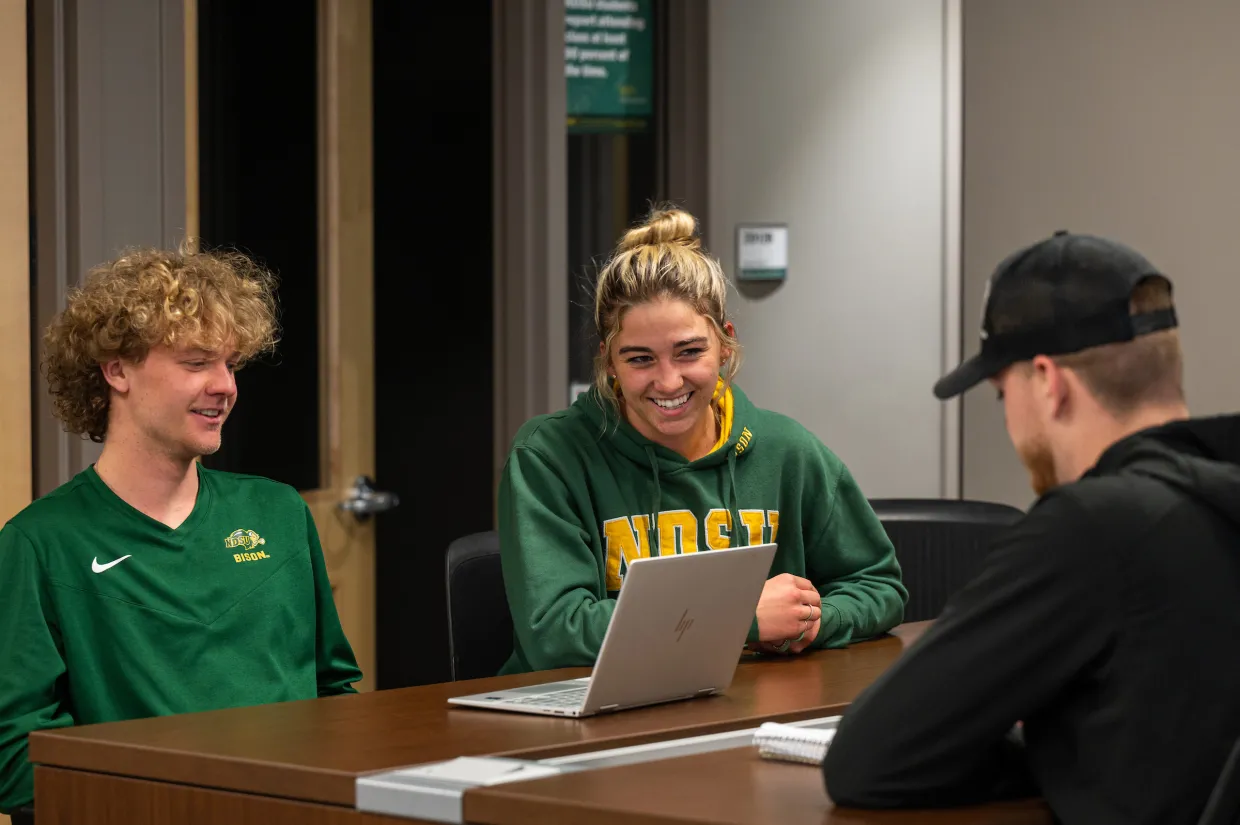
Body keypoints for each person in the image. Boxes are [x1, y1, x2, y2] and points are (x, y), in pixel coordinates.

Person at [824, 231, 1240, 825]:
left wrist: (1046, 749)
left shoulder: (1092, 528)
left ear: (1049, 382)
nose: (1010, 423)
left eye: (1000, 396)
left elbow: (866, 760)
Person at [0, 246, 362, 814]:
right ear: (116, 369)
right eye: (196, 363)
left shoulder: (278, 512)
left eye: (231, 364)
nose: (225, 386)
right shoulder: (40, 544)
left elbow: (334, 695)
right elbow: (18, 758)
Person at [497, 206, 906, 675]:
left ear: (725, 344)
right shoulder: (549, 457)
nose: (669, 382)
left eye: (689, 352)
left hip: (740, 711)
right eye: (640, 359)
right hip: (584, 720)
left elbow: (877, 584)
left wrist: (814, 621)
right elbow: (556, 633)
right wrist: (742, 618)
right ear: (609, 361)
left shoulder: (786, 450)